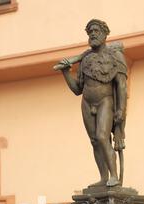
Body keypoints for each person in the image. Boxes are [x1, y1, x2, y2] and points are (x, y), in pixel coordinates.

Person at [58, 19, 127, 187]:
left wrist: (120, 110)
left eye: (96, 31)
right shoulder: (85, 59)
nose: (93, 34)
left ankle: (114, 176)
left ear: (105, 34)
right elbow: (77, 89)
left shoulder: (115, 56)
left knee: (103, 137)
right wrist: (66, 72)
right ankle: (104, 178)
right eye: (90, 32)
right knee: (95, 141)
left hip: (106, 101)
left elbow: (121, 85)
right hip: (87, 102)